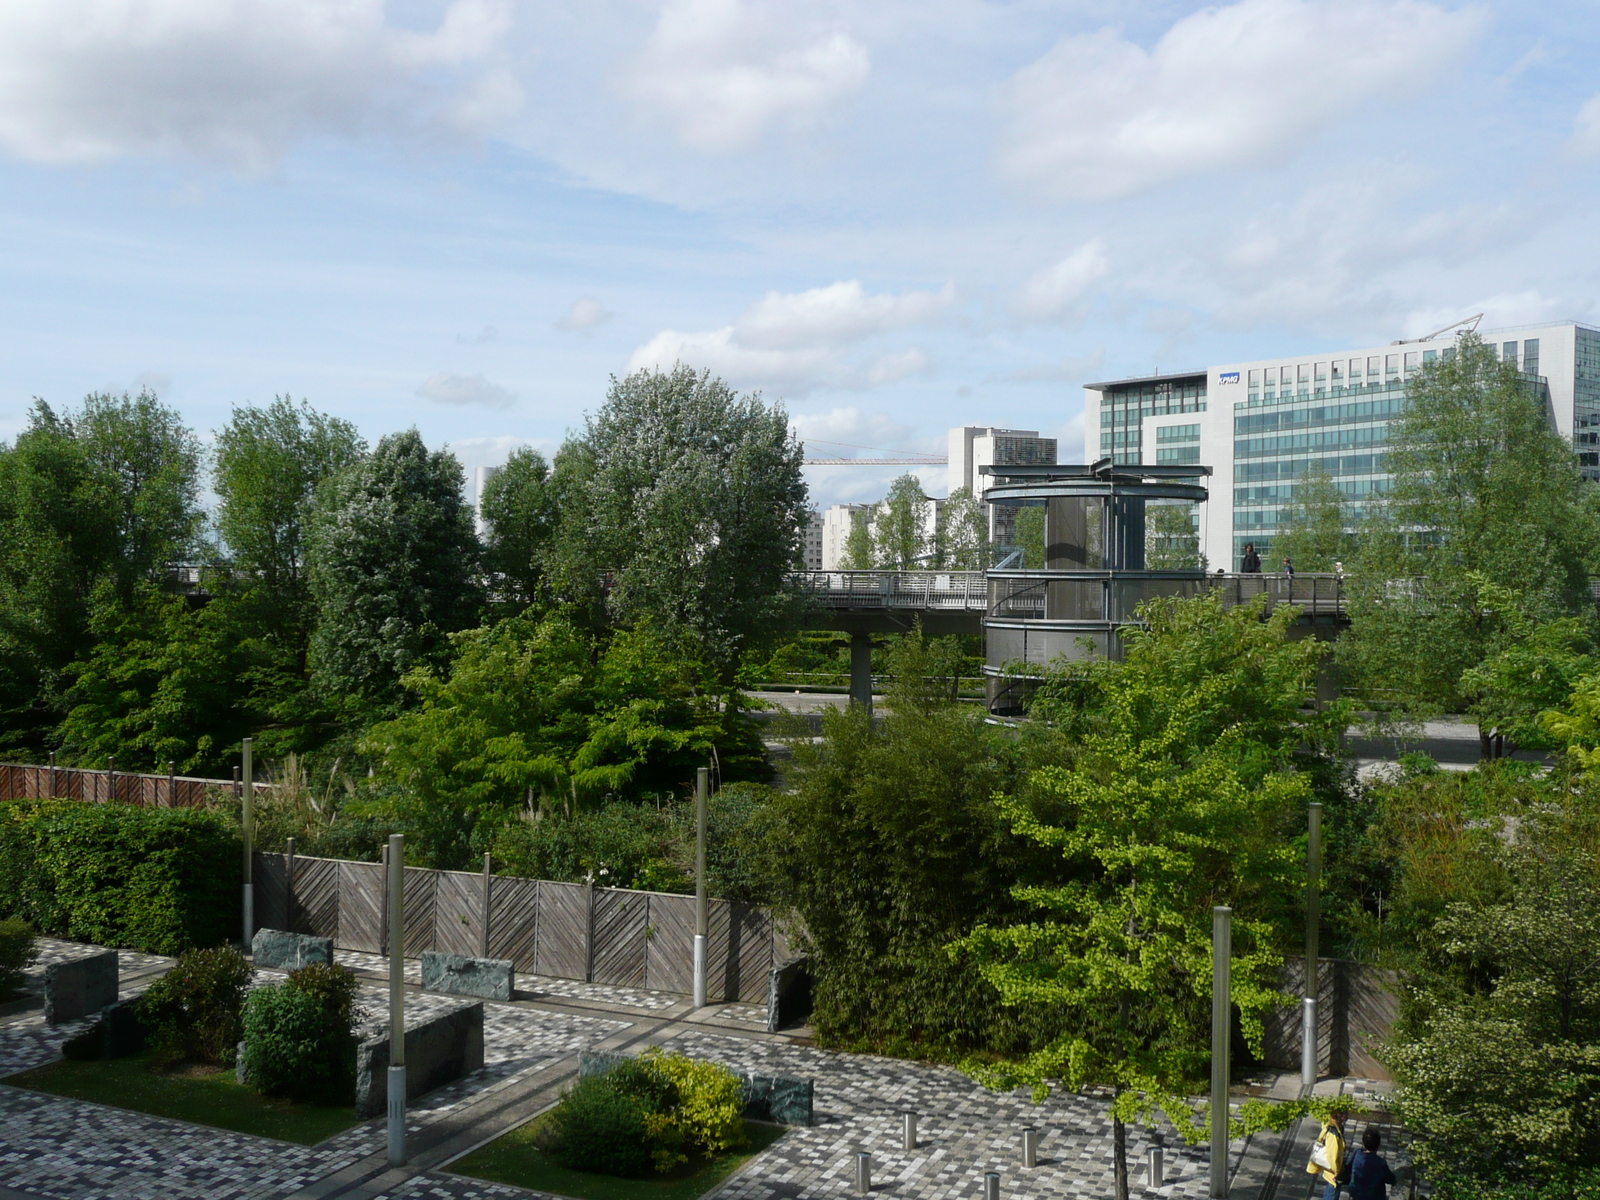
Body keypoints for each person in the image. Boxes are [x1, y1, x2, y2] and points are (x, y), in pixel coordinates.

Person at [1340, 1128, 1397, 1200]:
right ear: (1378, 1145)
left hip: (1356, 1194)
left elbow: (1348, 1167)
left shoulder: (1357, 1153)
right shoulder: (1380, 1163)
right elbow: (1390, 1179)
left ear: (1363, 1142)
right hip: (1373, 1196)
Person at [1307, 1111, 1345, 1200]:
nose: (1346, 1115)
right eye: (1344, 1113)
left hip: (1330, 1172)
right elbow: (1332, 1156)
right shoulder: (1333, 1133)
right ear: (1337, 1115)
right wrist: (1337, 1172)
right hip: (1333, 1174)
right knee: (1331, 1194)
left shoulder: (1335, 1128)